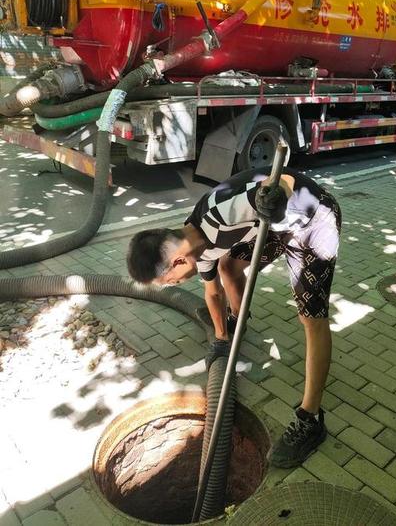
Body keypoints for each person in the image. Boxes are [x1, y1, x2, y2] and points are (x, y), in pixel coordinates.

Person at [127, 167, 341, 468]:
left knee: (311, 317)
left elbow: (283, 182)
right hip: (278, 227)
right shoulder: (196, 247)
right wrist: (221, 339)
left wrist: (276, 195)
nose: (173, 285)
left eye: (168, 281)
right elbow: (212, 292)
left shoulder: (221, 213)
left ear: (177, 262)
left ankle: (311, 419)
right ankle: (238, 320)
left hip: (313, 218)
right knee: (228, 267)